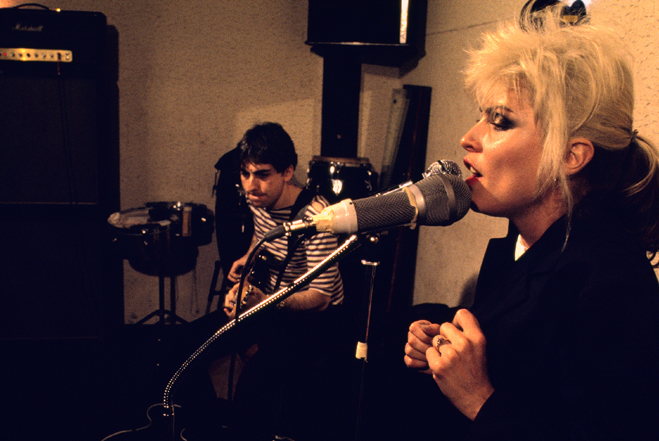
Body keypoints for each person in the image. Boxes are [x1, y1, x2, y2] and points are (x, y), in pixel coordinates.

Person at [401, 3, 659, 440]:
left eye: (499, 121)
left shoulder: (611, 282)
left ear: (570, 156)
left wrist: (478, 398)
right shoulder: (517, 245)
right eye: (481, 115)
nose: (470, 136)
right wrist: (442, 341)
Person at [221, 121, 349, 441]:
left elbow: (320, 297)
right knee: (203, 340)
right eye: (245, 173)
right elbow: (259, 239)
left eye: (262, 175)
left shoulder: (316, 218)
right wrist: (245, 264)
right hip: (275, 299)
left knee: (257, 391)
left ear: (287, 172)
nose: (251, 186)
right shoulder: (260, 200)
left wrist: (261, 301)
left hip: (317, 318)